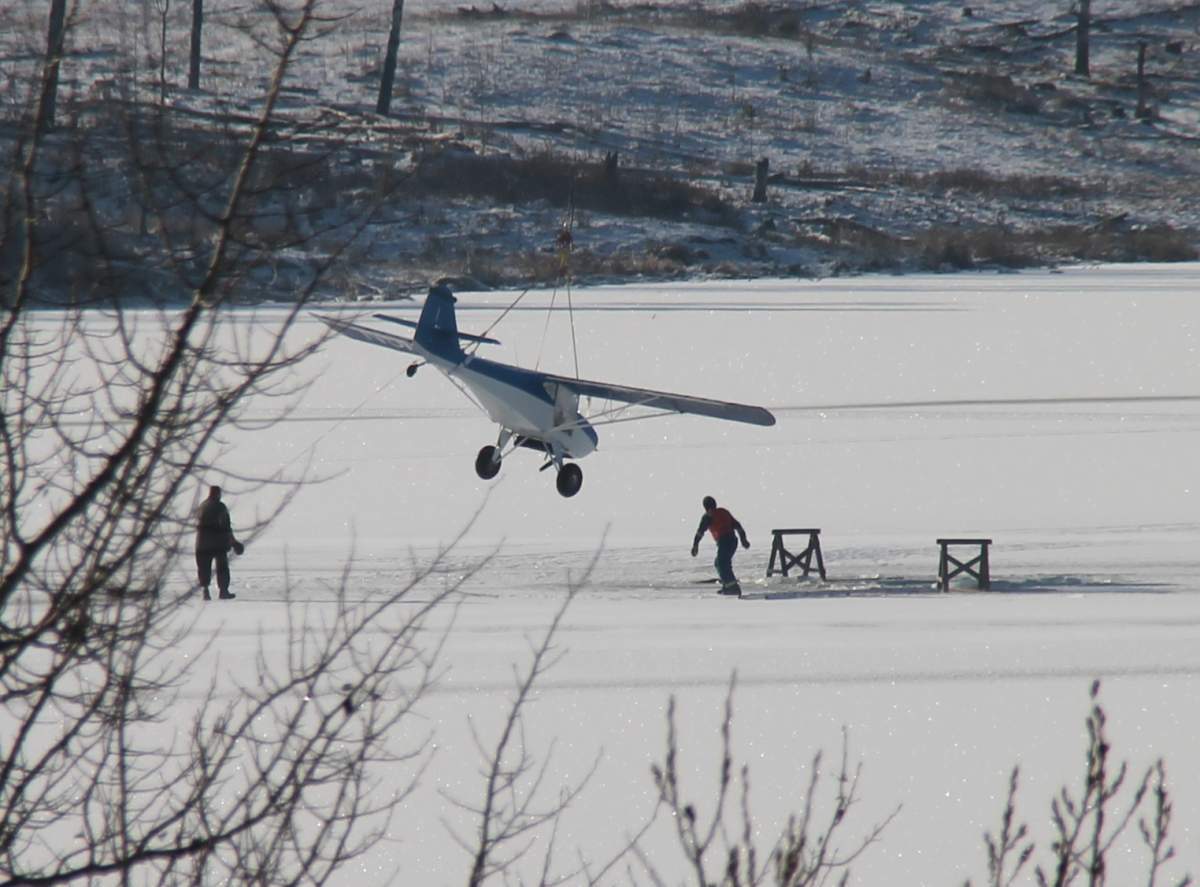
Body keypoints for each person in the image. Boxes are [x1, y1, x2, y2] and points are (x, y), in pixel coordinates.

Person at [690, 495, 750, 594]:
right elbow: (738, 526)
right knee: (720, 563)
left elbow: (700, 532)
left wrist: (695, 545)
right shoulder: (723, 512)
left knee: (722, 563)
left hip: (725, 541)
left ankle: (732, 587)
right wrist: (743, 540)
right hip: (732, 541)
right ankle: (727, 585)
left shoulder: (708, 517)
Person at [195, 485, 244, 601]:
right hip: (218, 544)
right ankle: (223, 591)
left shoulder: (202, 506)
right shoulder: (220, 507)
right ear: (218, 494)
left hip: (202, 544)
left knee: (204, 568)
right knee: (222, 568)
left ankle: (205, 591)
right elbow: (226, 527)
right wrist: (234, 542)